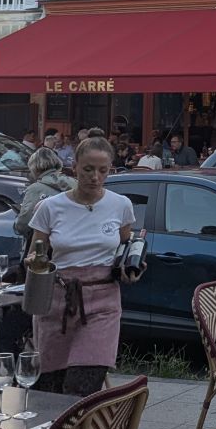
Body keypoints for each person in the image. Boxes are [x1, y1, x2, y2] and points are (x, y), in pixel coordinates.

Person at [28, 135, 137, 395]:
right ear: (74, 166)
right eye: (88, 169)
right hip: (58, 299)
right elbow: (34, 253)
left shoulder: (120, 205)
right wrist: (34, 261)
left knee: (83, 384)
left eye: (103, 171)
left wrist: (131, 269)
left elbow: (126, 248)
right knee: (50, 387)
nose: (95, 177)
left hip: (103, 301)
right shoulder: (50, 207)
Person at [15, 148, 73, 243]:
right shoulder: (75, 183)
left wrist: (17, 223)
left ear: (34, 168)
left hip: (46, 244)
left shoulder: (35, 189)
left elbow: (24, 223)